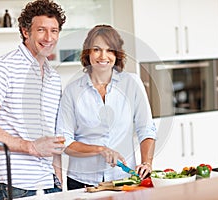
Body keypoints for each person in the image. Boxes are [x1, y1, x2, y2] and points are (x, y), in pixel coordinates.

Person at [0, 0, 66, 199]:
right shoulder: (2, 68)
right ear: (25, 31)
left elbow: (52, 134)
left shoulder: (53, 77)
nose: (49, 38)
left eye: (54, 31)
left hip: (49, 181)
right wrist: (30, 146)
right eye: (41, 30)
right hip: (16, 184)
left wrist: (57, 175)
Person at [56, 24, 157, 190]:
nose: (103, 56)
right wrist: (99, 149)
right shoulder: (72, 90)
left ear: (117, 54)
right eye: (96, 49)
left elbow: (146, 129)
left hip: (123, 178)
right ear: (88, 53)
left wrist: (147, 162)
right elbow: (64, 141)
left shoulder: (132, 83)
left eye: (110, 50)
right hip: (82, 180)